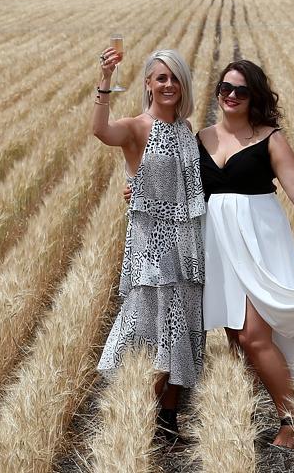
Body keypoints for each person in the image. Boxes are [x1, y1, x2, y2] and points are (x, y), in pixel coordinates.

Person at [198, 60, 294, 449]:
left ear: (255, 97)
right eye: (225, 88)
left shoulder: (270, 138)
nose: (231, 96)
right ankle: (252, 408)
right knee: (235, 333)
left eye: (241, 91)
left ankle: (293, 421)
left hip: (258, 241)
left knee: (254, 336)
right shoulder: (201, 136)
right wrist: (140, 191)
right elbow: (175, 182)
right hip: (217, 242)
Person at [92, 48, 206, 443]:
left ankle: (168, 420)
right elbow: (101, 132)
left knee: (181, 327)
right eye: (161, 78)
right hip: (153, 249)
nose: (168, 84)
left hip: (187, 245)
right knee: (150, 330)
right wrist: (105, 82)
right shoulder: (138, 127)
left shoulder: (186, 129)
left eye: (175, 78)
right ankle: (134, 416)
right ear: (148, 84)